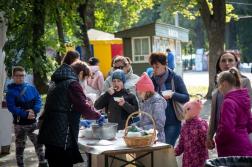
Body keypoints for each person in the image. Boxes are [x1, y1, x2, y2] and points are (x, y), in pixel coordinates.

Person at [38, 61, 105, 167]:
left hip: (50, 133)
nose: (85, 82)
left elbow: (63, 106)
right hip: (62, 136)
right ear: (81, 74)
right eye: (86, 78)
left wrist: (80, 119)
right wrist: (98, 116)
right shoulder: (72, 84)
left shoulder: (56, 82)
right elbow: (83, 107)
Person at [207, 51, 252, 150]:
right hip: (222, 136)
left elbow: (247, 109)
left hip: (237, 136)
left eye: (230, 60)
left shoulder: (244, 81)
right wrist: (209, 136)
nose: (226, 63)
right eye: (223, 61)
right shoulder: (217, 84)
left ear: (236, 63)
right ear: (219, 64)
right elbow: (214, 114)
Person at [6, 66, 47, 167]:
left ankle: (43, 163)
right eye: (18, 76)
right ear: (13, 76)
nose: (21, 78)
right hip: (19, 125)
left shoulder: (31, 88)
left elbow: (38, 100)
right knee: (20, 147)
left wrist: (34, 110)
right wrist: (26, 114)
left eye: (22, 75)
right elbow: (12, 107)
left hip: (33, 123)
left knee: (39, 143)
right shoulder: (10, 92)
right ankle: (20, 165)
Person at [149, 52, 189, 146]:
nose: (154, 69)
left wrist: (173, 94)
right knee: (157, 150)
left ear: (164, 64)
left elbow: (186, 97)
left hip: (172, 122)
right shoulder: (152, 80)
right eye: (153, 67)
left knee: (166, 149)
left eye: (157, 66)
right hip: (156, 122)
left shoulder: (175, 78)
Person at [215, 67, 252, 156]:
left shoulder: (228, 102)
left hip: (231, 148)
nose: (218, 89)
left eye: (218, 86)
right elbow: (250, 123)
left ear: (224, 84)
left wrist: (218, 138)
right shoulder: (243, 99)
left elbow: (227, 129)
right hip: (245, 144)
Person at [175, 99, 208, 167]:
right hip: (187, 160)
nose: (183, 113)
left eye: (185, 111)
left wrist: (209, 142)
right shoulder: (185, 125)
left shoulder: (201, 124)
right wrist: (176, 151)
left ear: (193, 112)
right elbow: (182, 142)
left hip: (200, 160)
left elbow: (206, 142)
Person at [135, 73, 166, 142]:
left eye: (140, 93)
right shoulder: (145, 101)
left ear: (148, 92)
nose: (139, 95)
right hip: (146, 139)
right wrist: (134, 126)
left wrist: (141, 129)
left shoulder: (157, 103)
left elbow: (159, 125)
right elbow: (145, 121)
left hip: (157, 140)